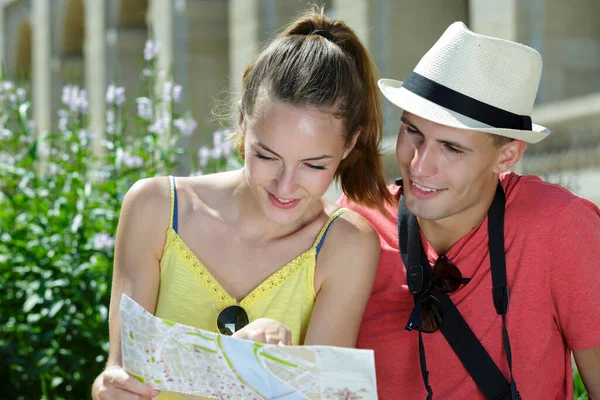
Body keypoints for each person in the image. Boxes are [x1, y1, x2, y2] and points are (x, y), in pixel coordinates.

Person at [92, 8, 394, 400]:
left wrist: (269, 370)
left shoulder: (347, 245)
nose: (285, 185)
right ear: (241, 122)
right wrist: (108, 387)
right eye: (267, 156)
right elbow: (118, 370)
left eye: (313, 165)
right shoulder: (153, 208)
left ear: (349, 144)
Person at [338, 22, 600, 399]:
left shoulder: (560, 226)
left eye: (452, 148)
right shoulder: (355, 221)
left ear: (507, 155)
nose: (419, 165)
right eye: (413, 132)